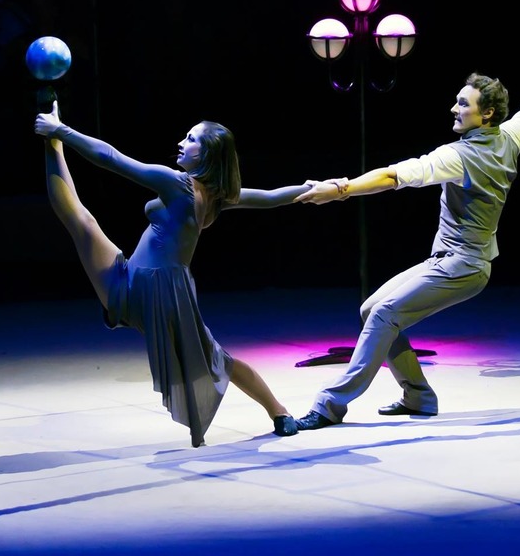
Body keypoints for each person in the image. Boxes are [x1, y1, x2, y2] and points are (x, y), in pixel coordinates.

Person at [292, 17, 520, 430]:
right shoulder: (510, 137)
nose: (454, 108)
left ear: (487, 114)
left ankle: (329, 404)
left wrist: (339, 189)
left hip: (463, 265)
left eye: (463, 104)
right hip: (452, 261)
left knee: (384, 313)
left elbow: (392, 176)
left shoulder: (457, 157)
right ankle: (418, 396)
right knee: (371, 308)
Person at [34, 100, 314, 446]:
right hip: (163, 289)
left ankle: (52, 141)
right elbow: (271, 197)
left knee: (78, 219)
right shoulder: (218, 197)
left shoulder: (177, 184)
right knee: (219, 360)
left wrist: (62, 131)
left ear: (207, 155)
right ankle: (279, 412)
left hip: (145, 287)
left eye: (191, 139)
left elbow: (112, 158)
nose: (181, 143)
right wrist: (314, 189)